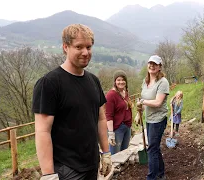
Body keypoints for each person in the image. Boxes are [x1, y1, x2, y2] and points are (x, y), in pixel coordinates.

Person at [32, 24, 112, 180]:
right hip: (66, 170)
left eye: (89, 47)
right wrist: (48, 174)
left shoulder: (93, 81)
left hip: (91, 164)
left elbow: (101, 118)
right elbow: (42, 131)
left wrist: (106, 152)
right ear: (65, 47)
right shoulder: (49, 83)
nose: (85, 52)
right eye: (79, 47)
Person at [137, 55, 169, 180]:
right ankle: (160, 173)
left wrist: (143, 102)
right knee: (154, 147)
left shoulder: (163, 82)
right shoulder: (145, 82)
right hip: (149, 118)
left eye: (155, 64)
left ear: (160, 67)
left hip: (158, 119)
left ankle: (152, 177)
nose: (152, 66)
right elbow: (142, 101)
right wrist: (138, 113)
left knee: (152, 149)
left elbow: (157, 102)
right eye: (150, 63)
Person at [105, 70, 133, 155]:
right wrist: (111, 133)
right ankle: (114, 168)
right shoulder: (111, 95)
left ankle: (124, 169)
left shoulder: (125, 92)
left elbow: (127, 109)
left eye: (123, 80)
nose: (121, 82)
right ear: (115, 82)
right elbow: (108, 115)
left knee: (124, 154)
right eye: (118, 80)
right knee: (116, 155)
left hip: (127, 127)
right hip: (117, 129)